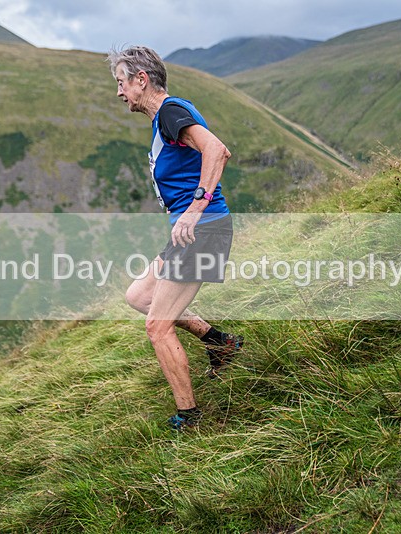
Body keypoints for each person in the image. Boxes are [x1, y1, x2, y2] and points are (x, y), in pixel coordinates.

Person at [107, 45, 244, 430]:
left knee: (157, 326)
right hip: (192, 232)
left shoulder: (170, 112)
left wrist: (196, 208)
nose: (119, 92)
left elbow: (217, 150)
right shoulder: (164, 120)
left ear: (141, 80)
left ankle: (190, 416)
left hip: (204, 229)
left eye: (121, 83)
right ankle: (220, 342)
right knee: (139, 296)